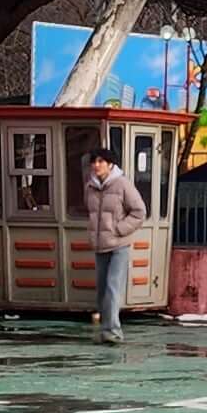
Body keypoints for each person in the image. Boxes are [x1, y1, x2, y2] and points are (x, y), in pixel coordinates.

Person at [80, 143, 148, 342]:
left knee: (112, 286)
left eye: (100, 161)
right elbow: (91, 211)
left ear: (110, 164)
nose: (96, 165)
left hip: (119, 245)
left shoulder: (122, 184)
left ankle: (113, 332)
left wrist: (119, 229)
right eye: (94, 161)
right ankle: (105, 330)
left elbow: (139, 212)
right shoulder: (90, 186)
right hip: (100, 244)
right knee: (102, 290)